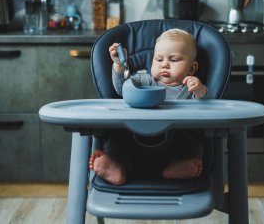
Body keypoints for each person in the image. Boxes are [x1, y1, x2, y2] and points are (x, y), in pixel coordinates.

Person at [89, 28, 211, 185]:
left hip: (175, 141)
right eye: (159, 60)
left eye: (173, 60)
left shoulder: (191, 88)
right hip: (135, 140)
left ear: (192, 68)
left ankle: (178, 168)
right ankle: (117, 168)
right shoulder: (144, 80)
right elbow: (122, 88)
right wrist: (120, 65)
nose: (165, 65)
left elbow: (208, 106)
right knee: (117, 142)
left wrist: (201, 91)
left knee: (192, 144)